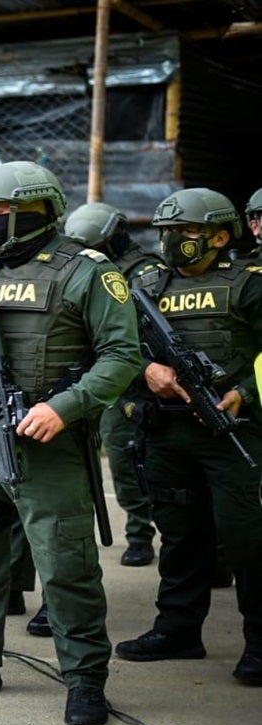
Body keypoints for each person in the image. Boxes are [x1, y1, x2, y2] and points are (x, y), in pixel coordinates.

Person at [0, 161, 141, 725]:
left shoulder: (87, 272)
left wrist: (64, 408)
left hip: (47, 449)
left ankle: (85, 680)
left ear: (36, 210)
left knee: (66, 568)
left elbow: (122, 355)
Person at [114, 187, 262, 688]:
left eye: (187, 231)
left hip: (234, 431)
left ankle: (260, 643)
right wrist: (146, 369)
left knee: (247, 538)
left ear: (220, 237)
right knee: (179, 534)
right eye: (167, 231)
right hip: (167, 430)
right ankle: (177, 630)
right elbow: (116, 343)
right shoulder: (146, 284)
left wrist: (244, 392)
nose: (174, 239)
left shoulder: (249, 284)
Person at [64, 202, 162, 568]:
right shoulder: (88, 271)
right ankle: (130, 532)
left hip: (141, 383)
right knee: (114, 460)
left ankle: (143, 534)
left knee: (139, 462)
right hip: (101, 381)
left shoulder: (146, 272)